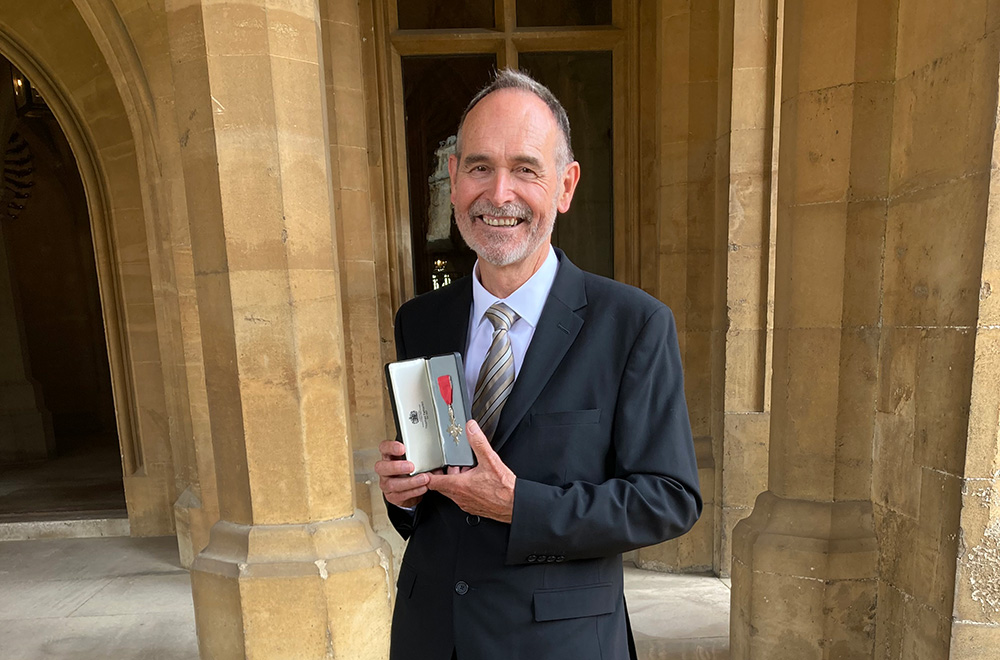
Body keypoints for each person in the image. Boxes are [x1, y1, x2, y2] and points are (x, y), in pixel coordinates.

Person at [375, 69, 702, 660]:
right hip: (431, 635)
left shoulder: (632, 325)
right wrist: (404, 496)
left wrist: (520, 506)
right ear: (453, 180)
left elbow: (668, 498)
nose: (498, 194)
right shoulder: (418, 321)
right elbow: (435, 486)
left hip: (563, 643)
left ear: (566, 185)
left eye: (526, 168)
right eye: (479, 167)